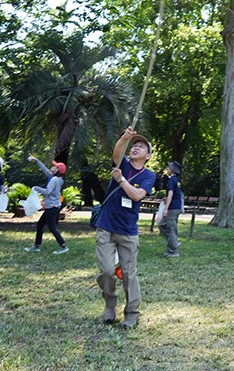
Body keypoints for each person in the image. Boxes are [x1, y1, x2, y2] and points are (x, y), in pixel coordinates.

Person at [95, 127, 156, 329]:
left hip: (128, 231)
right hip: (106, 225)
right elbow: (116, 153)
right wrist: (124, 138)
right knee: (106, 271)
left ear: (147, 156)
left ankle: (131, 314)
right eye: (134, 145)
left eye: (141, 147)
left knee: (129, 274)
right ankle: (110, 306)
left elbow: (137, 196)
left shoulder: (149, 175)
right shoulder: (123, 164)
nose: (135, 147)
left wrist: (120, 179)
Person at [24, 156, 69, 254]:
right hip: (53, 207)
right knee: (40, 225)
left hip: (52, 207)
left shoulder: (54, 180)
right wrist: (36, 160)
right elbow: (44, 169)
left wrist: (36, 188)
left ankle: (63, 246)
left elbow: (48, 191)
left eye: (55, 166)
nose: (52, 167)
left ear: (57, 170)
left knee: (52, 227)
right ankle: (36, 246)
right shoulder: (55, 178)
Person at [158, 161, 184, 257]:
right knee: (162, 225)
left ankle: (173, 251)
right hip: (176, 206)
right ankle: (174, 242)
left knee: (171, 227)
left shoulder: (172, 180)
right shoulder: (176, 180)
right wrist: (166, 199)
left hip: (172, 208)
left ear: (172, 170)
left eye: (168, 168)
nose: (167, 169)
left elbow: (171, 193)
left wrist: (166, 208)